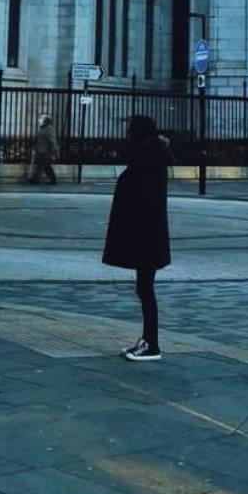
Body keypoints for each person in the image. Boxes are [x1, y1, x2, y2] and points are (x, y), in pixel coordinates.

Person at [102, 113, 171, 360]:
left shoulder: (147, 159)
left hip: (147, 237)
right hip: (149, 236)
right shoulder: (150, 157)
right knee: (144, 289)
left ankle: (151, 344)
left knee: (145, 289)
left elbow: (138, 196)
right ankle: (147, 341)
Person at [27, 112, 58, 185]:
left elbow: (52, 141)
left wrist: (54, 152)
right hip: (40, 150)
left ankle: (35, 179)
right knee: (46, 166)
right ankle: (53, 180)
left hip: (45, 152)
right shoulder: (42, 129)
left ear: (46, 121)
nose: (39, 120)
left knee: (40, 166)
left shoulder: (49, 129)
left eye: (41, 119)